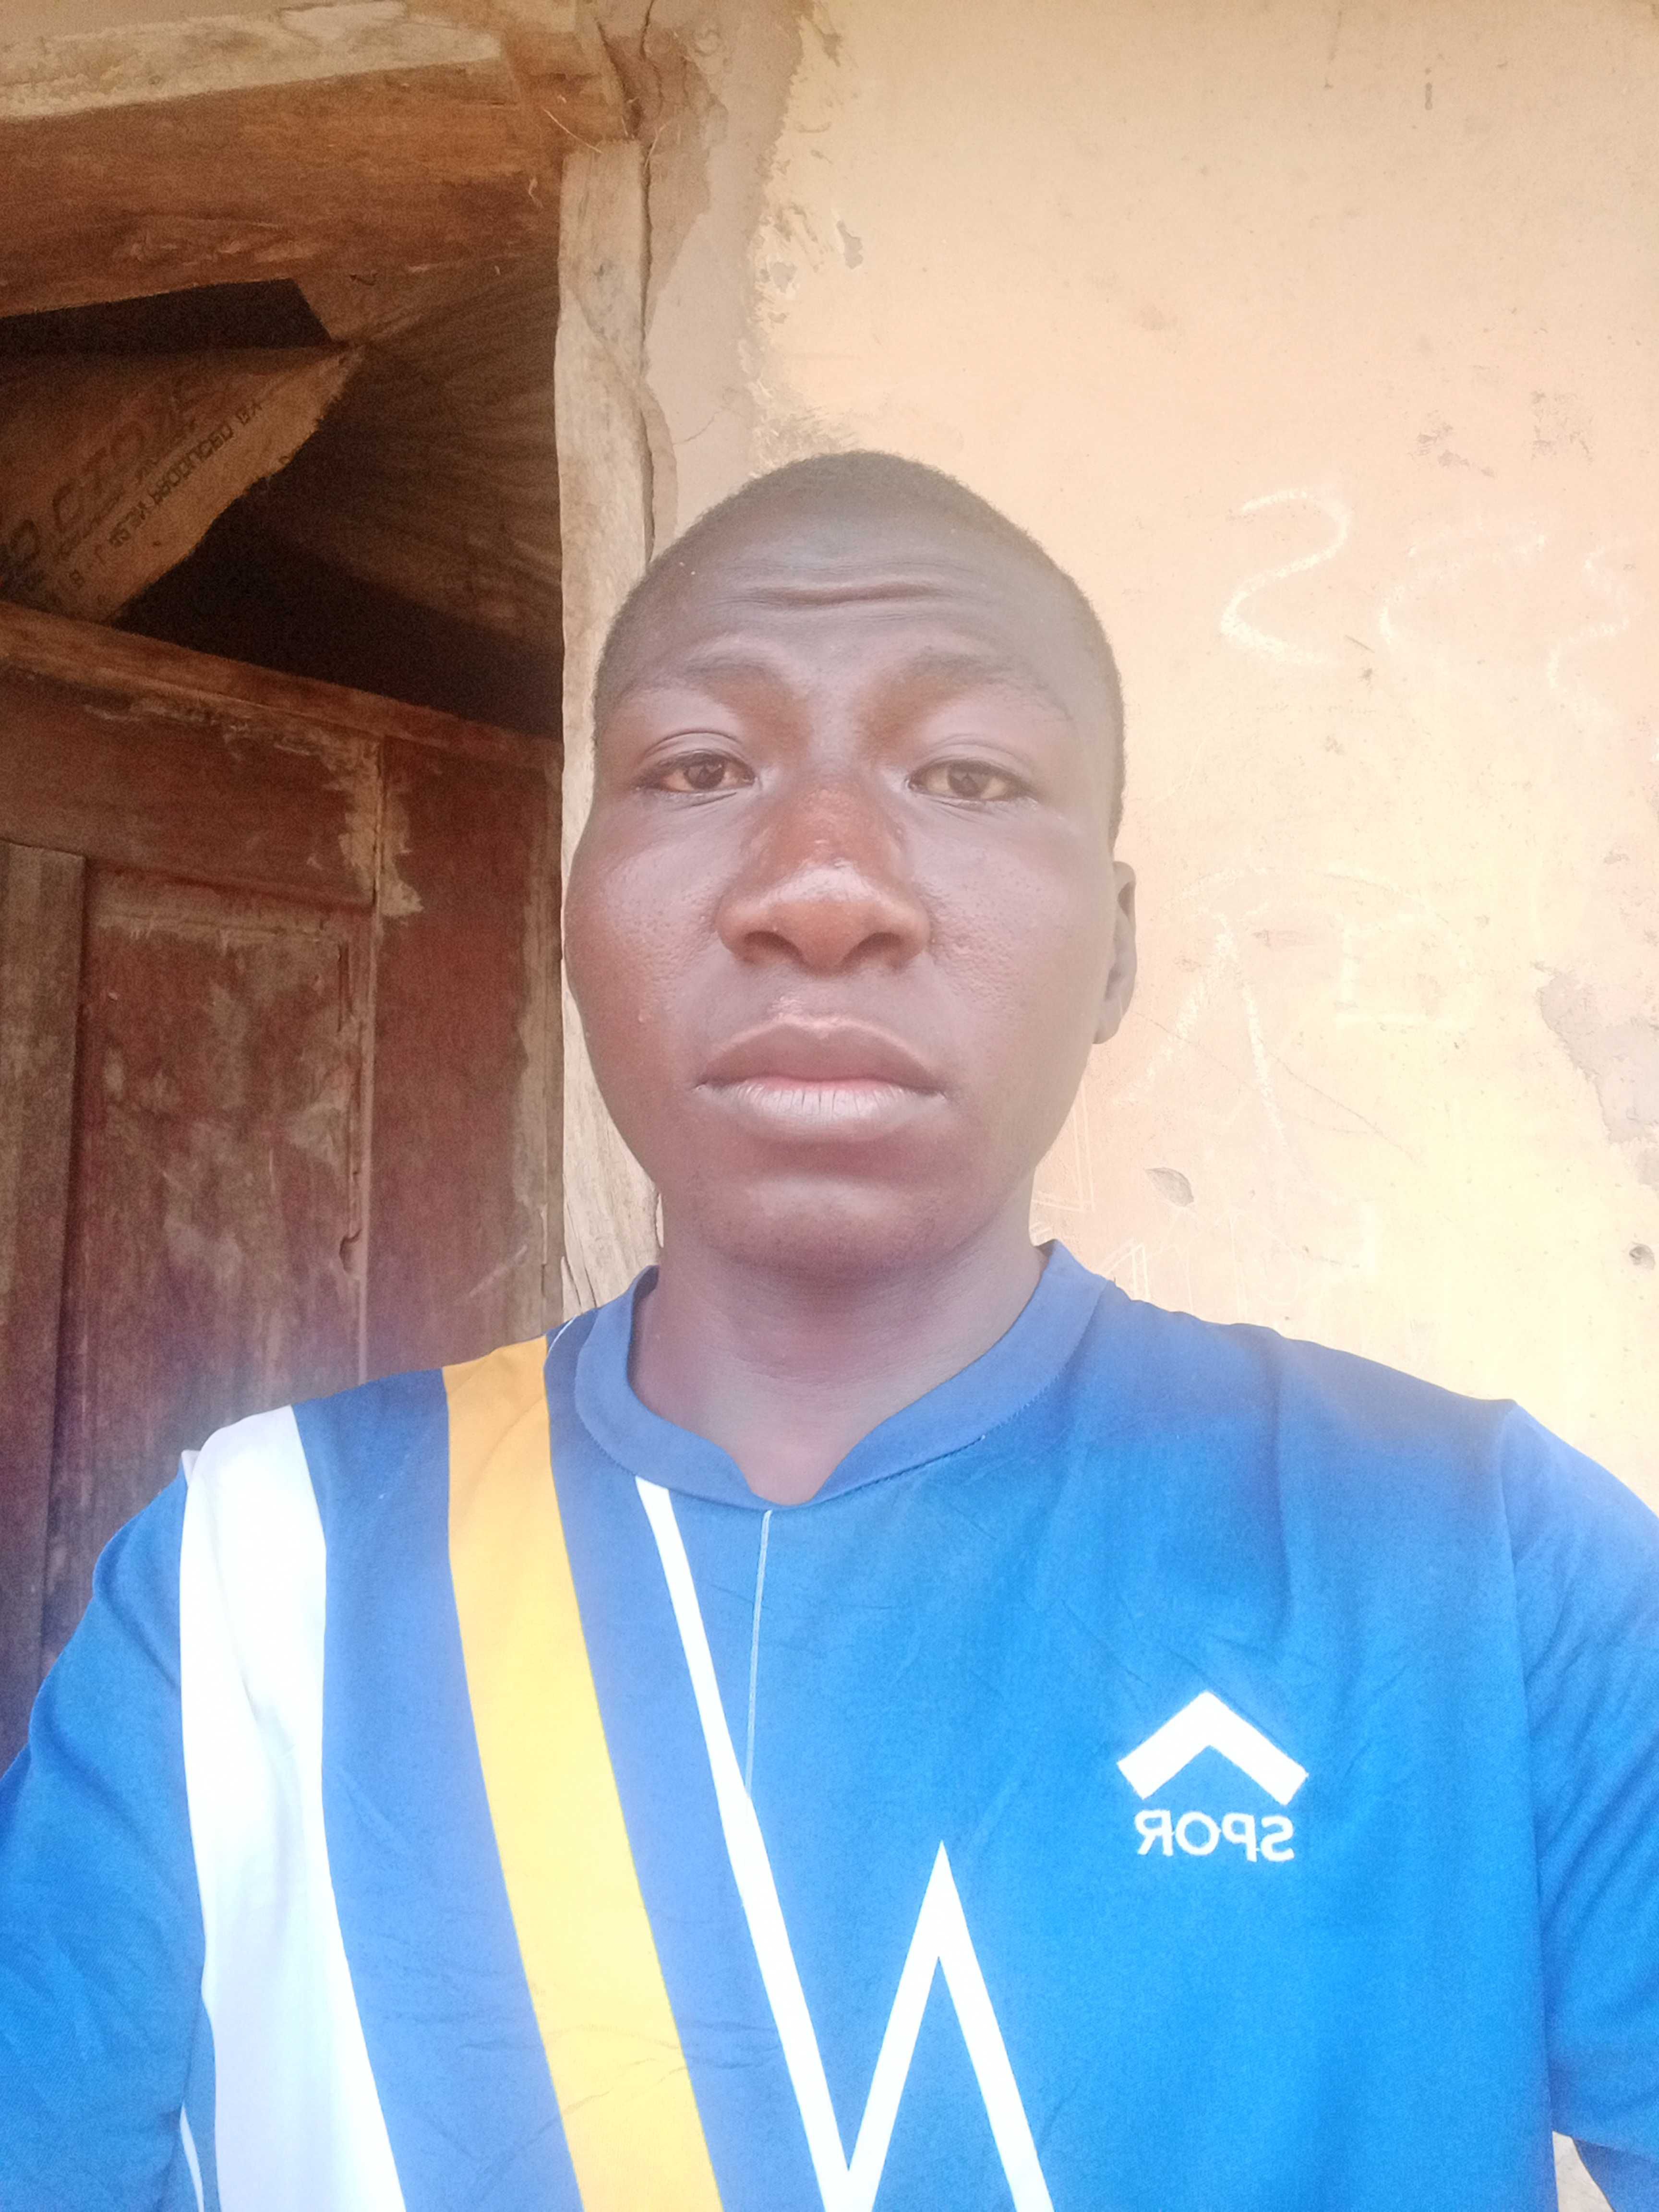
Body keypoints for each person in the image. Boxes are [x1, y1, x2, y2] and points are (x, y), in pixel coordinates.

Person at [2, 452, 1657, 2212]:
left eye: (969, 775)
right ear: (575, 921)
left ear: (1115, 953)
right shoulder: (258, 1579)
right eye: (699, 768)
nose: (821, 890)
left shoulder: (1480, 1564)